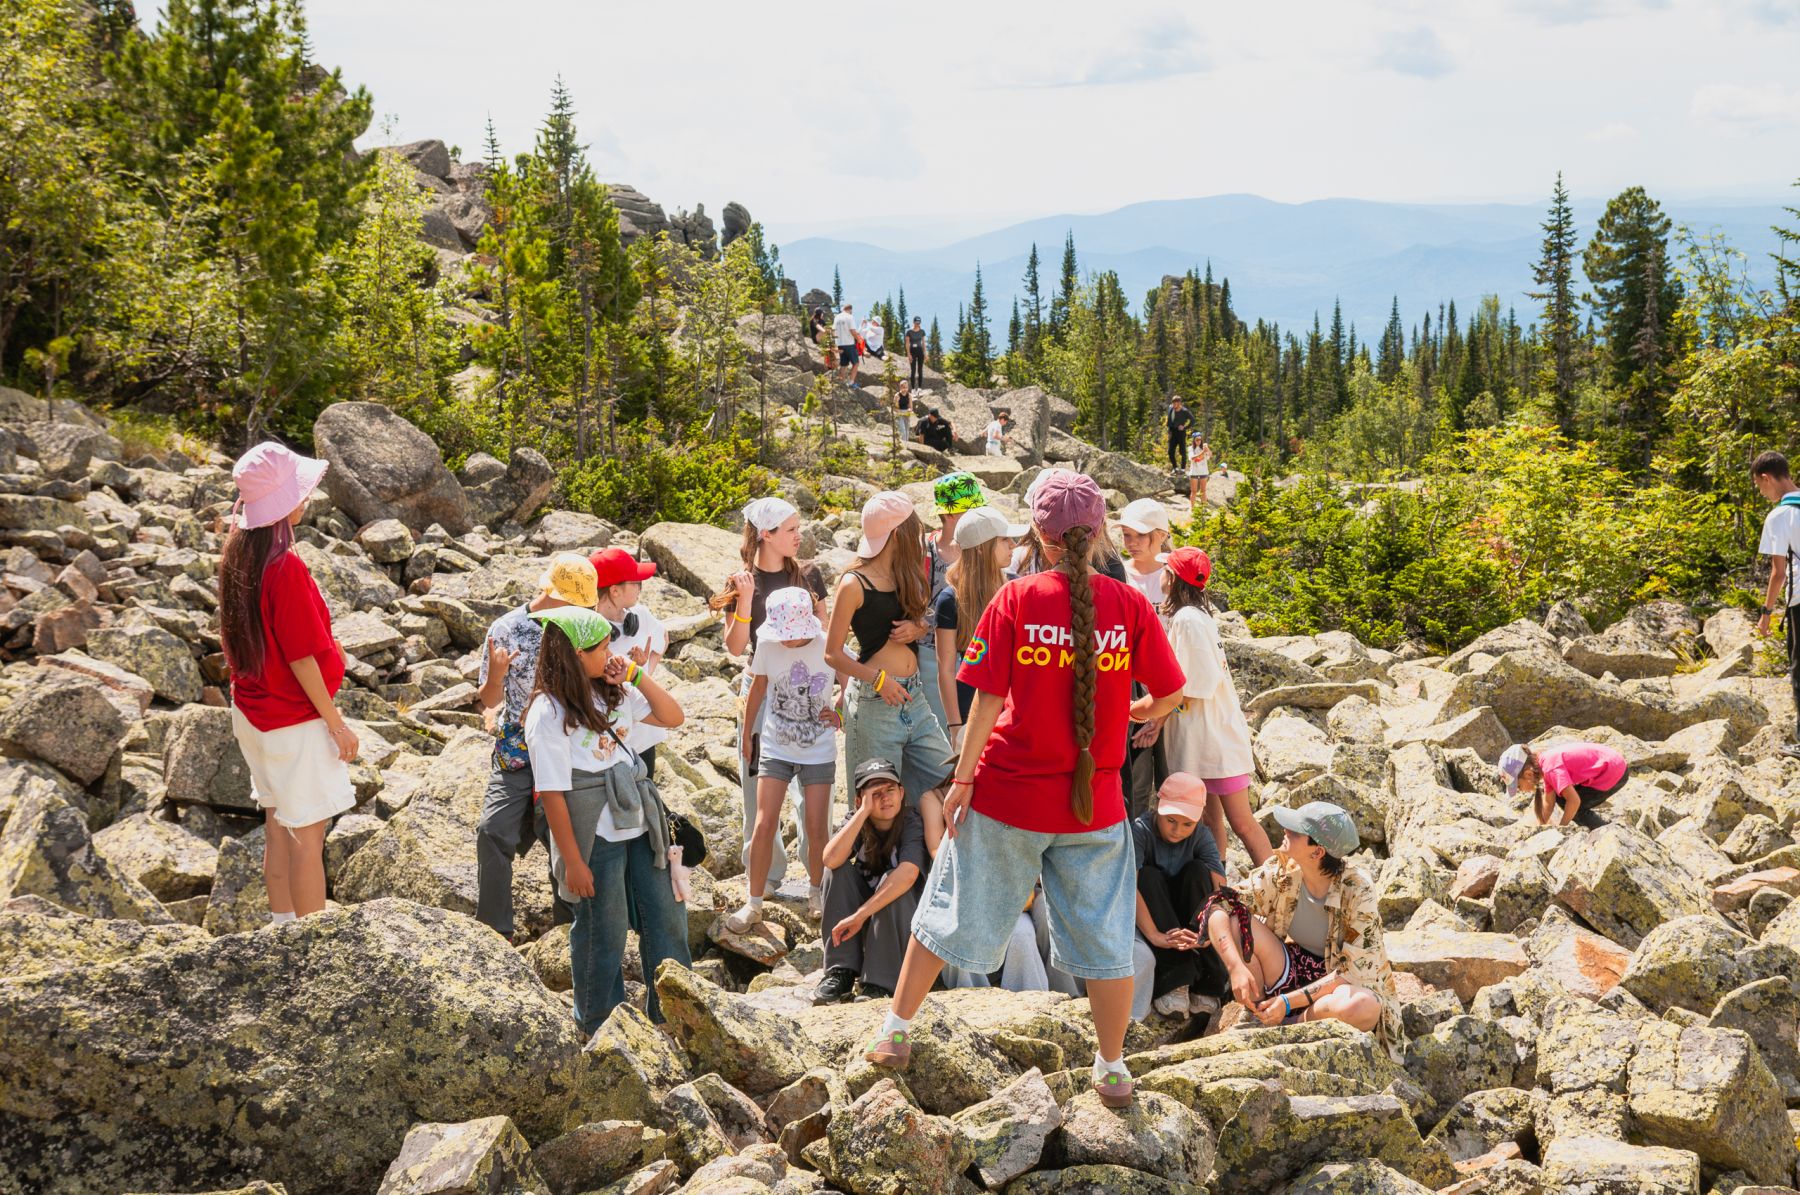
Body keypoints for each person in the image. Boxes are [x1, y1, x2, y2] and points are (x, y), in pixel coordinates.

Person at [863, 471, 1187, 1110]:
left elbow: (985, 700)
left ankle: (895, 1030)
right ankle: (1112, 1067)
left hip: (1008, 794)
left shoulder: (1014, 598)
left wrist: (961, 779)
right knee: (1106, 938)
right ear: (1098, 531)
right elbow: (1172, 693)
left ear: (1038, 533)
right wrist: (1134, 714)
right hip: (1095, 803)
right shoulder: (1130, 604)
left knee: (951, 906)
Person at [526, 606, 689, 1033]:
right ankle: (599, 1024)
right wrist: (573, 861)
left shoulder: (614, 690)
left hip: (639, 822)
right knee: (605, 928)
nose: (610, 653)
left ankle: (675, 1018)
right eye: (601, 648)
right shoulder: (547, 712)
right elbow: (553, 794)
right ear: (575, 654)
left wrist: (635, 674)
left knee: (667, 915)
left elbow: (673, 716)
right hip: (595, 834)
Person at [220, 442, 358, 923]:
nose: (308, 497)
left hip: (252, 711)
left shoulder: (239, 552)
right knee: (308, 838)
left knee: (278, 825)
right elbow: (301, 657)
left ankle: (281, 929)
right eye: (300, 490)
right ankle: (310, 944)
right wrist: (336, 723)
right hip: (292, 721)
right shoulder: (286, 566)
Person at [1201, 801, 1402, 1059]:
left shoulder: (1358, 890)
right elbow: (1219, 904)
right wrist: (1235, 967)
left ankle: (1288, 1025)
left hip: (1335, 985)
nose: (1285, 830)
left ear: (1317, 852)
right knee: (1236, 921)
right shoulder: (1283, 869)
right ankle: (1259, 1013)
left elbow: (1351, 974)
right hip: (1291, 967)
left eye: (1295, 831)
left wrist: (1287, 1004)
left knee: (1363, 1006)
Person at [475, 554, 596, 938]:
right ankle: (495, 933)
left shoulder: (582, 626)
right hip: (518, 752)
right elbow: (489, 699)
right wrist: (497, 675)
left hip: (567, 749)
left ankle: (570, 932)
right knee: (492, 830)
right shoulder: (507, 628)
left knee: (565, 839)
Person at [823, 492, 954, 846]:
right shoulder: (853, 583)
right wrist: (878, 680)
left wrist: (918, 628)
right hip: (874, 703)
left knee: (951, 781)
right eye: (915, 529)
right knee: (876, 810)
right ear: (898, 534)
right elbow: (832, 653)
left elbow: (922, 621)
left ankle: (922, 866)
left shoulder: (906, 574)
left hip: (914, 698)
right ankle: (878, 876)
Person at [724, 497, 830, 894]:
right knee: (757, 785)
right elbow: (735, 647)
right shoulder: (740, 581)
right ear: (766, 534)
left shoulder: (809, 574)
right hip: (760, 686)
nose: (799, 536)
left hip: (809, 687)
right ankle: (765, 876)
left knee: (813, 787)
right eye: (791, 530)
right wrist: (744, 600)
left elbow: (826, 634)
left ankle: (818, 873)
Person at [728, 587, 843, 927]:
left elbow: (852, 677)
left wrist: (839, 710)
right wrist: (748, 735)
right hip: (775, 745)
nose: (786, 640)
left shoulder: (826, 643)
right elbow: (758, 688)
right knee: (764, 823)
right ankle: (754, 902)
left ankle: (816, 891)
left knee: (816, 825)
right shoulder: (767, 644)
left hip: (818, 748)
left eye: (791, 635)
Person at [1159, 547, 1267, 868]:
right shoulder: (1199, 616)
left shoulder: (1187, 619)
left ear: (1173, 578)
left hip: (1209, 739)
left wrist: (1156, 715)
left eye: (1166, 570)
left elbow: (1197, 684)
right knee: (1211, 820)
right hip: (1214, 736)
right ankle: (1216, 882)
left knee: (1241, 823)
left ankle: (1278, 887)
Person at [813, 758, 930, 1003]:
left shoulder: (911, 821)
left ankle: (880, 983)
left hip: (904, 922)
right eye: (875, 794)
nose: (885, 798)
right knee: (837, 871)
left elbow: (908, 874)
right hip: (867, 922)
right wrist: (862, 813)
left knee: (892, 881)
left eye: (890, 790)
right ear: (859, 800)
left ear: (902, 792)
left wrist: (860, 915)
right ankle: (841, 970)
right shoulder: (858, 820)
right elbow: (830, 859)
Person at [1133, 774, 1228, 1016]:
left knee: (1198, 872)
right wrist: (1154, 935)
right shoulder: (1140, 830)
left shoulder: (1201, 835)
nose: (1177, 831)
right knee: (1147, 876)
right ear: (1157, 806)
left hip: (1190, 912)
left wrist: (1208, 933)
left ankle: (1208, 981)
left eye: (1187, 824)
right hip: (1154, 912)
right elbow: (1128, 886)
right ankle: (1175, 979)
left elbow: (1219, 890)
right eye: (1171, 821)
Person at [932, 505, 1026, 747]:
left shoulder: (1017, 589)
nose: (1013, 545)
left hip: (1014, 708)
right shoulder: (950, 599)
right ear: (983, 548)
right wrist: (954, 726)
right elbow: (945, 670)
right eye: (1004, 539)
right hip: (970, 712)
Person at [591, 547, 667, 777]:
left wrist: (643, 671)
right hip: (610, 737)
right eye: (636, 583)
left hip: (644, 733)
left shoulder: (641, 615)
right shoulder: (590, 631)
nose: (640, 588)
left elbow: (663, 638)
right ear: (615, 591)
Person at [920, 471, 986, 730]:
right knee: (941, 727)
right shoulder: (924, 550)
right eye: (970, 510)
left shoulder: (978, 548)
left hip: (974, 651)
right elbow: (911, 600)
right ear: (950, 515)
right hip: (930, 653)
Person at [1753, 450, 1800, 756]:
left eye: (1760, 487)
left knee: (1799, 669)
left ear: (1767, 478)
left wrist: (1766, 613)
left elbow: (1778, 573)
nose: (1762, 493)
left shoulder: (1779, 516)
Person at [1500, 741, 1628, 828]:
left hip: (1613, 771)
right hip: (1612, 763)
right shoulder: (1545, 763)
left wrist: (1562, 827)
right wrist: (1540, 827)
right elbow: (1549, 803)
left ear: (1528, 774)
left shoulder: (1551, 769)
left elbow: (1574, 801)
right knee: (1561, 797)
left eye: (1518, 786)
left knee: (1574, 808)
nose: (1520, 790)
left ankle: (1604, 831)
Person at [1117, 500, 1170, 605]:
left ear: (1162, 535)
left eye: (1141, 534)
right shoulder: (1116, 575)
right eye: (1126, 534)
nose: (1132, 543)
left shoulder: (1177, 578)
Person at [834, 303, 860, 387]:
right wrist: (859, 339)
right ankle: (851, 382)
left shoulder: (837, 317)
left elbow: (833, 330)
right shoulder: (850, 317)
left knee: (844, 364)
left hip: (840, 344)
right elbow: (852, 331)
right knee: (856, 363)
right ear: (850, 310)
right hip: (849, 343)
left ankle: (842, 381)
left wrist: (835, 344)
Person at [1166, 396, 1192, 472]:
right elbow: (1170, 419)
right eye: (1173, 402)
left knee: (1182, 451)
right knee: (1170, 452)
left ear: (1179, 403)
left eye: (1176, 403)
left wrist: (1185, 427)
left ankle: (1183, 468)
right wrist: (1169, 429)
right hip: (1172, 432)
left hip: (1181, 433)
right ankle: (1175, 468)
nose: (1174, 404)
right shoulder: (1170, 408)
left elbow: (1193, 420)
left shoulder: (1184, 411)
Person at [1188, 437, 1213, 507]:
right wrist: (1203, 452)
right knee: (1194, 491)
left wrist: (1207, 449)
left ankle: (1203, 508)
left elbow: (1210, 456)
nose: (1198, 441)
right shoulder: (1191, 448)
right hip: (1194, 472)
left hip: (1203, 471)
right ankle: (1192, 508)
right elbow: (1192, 458)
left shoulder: (1204, 447)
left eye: (1200, 440)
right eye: (1197, 440)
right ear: (1194, 440)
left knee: (1203, 491)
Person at [906, 316, 927, 389]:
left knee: (920, 370)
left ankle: (919, 388)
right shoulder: (909, 331)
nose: (917, 324)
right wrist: (908, 354)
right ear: (913, 322)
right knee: (913, 370)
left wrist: (925, 353)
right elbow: (907, 344)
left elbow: (923, 343)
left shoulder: (922, 331)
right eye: (916, 322)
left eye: (918, 323)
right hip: (912, 352)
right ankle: (913, 389)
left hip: (920, 351)